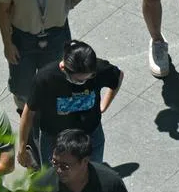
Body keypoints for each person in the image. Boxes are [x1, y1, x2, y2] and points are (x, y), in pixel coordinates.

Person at [0, 0, 98, 125]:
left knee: (54, 78)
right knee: (22, 85)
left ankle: (46, 112)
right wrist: (7, 44)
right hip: (23, 37)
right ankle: (24, 112)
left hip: (56, 35)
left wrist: (70, 3)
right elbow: (3, 12)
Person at [17, 39, 122, 168]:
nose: (84, 82)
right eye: (79, 80)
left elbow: (118, 76)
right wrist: (22, 147)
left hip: (90, 135)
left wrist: (104, 104)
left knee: (93, 175)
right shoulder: (46, 79)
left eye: (88, 77)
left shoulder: (98, 70)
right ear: (63, 67)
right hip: (54, 139)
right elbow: (28, 113)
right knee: (54, 180)